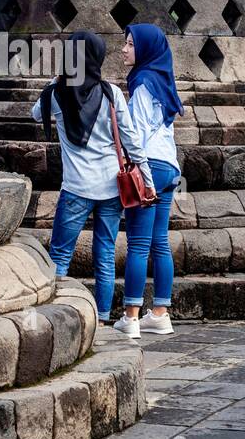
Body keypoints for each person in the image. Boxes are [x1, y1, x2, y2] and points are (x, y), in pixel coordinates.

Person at [32, 30, 154, 324]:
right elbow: (131, 141)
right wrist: (147, 179)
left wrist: (56, 79)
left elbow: (36, 114)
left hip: (76, 189)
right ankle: (100, 318)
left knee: (60, 255)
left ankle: (55, 317)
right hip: (112, 188)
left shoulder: (56, 95)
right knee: (105, 255)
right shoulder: (111, 93)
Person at [114, 23, 183, 337]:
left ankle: (130, 317)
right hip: (169, 165)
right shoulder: (163, 80)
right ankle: (159, 313)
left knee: (139, 245)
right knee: (161, 243)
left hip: (150, 166)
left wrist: (139, 170)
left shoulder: (142, 82)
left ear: (145, 49)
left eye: (130, 44)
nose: (124, 49)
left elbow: (137, 134)